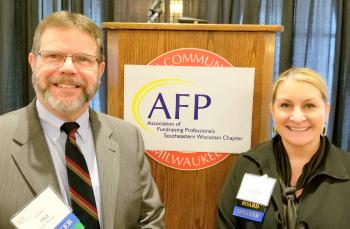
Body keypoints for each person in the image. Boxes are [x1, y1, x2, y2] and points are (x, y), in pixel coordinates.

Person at [0, 11, 165, 228]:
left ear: (100, 70)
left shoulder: (128, 138)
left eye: (83, 59)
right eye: (54, 56)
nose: (68, 68)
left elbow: (150, 219)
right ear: (33, 62)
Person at [216, 67, 350, 228]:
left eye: (309, 105)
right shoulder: (248, 164)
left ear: (326, 111)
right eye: (285, 105)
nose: (297, 117)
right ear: (272, 110)